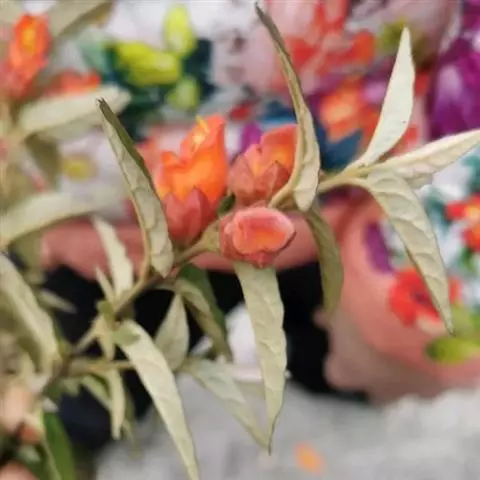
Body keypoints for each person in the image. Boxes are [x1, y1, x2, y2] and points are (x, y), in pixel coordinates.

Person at [5, 0, 480, 465]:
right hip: (86, 206)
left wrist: (392, 295)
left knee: (331, 366)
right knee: (83, 385)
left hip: (343, 200)